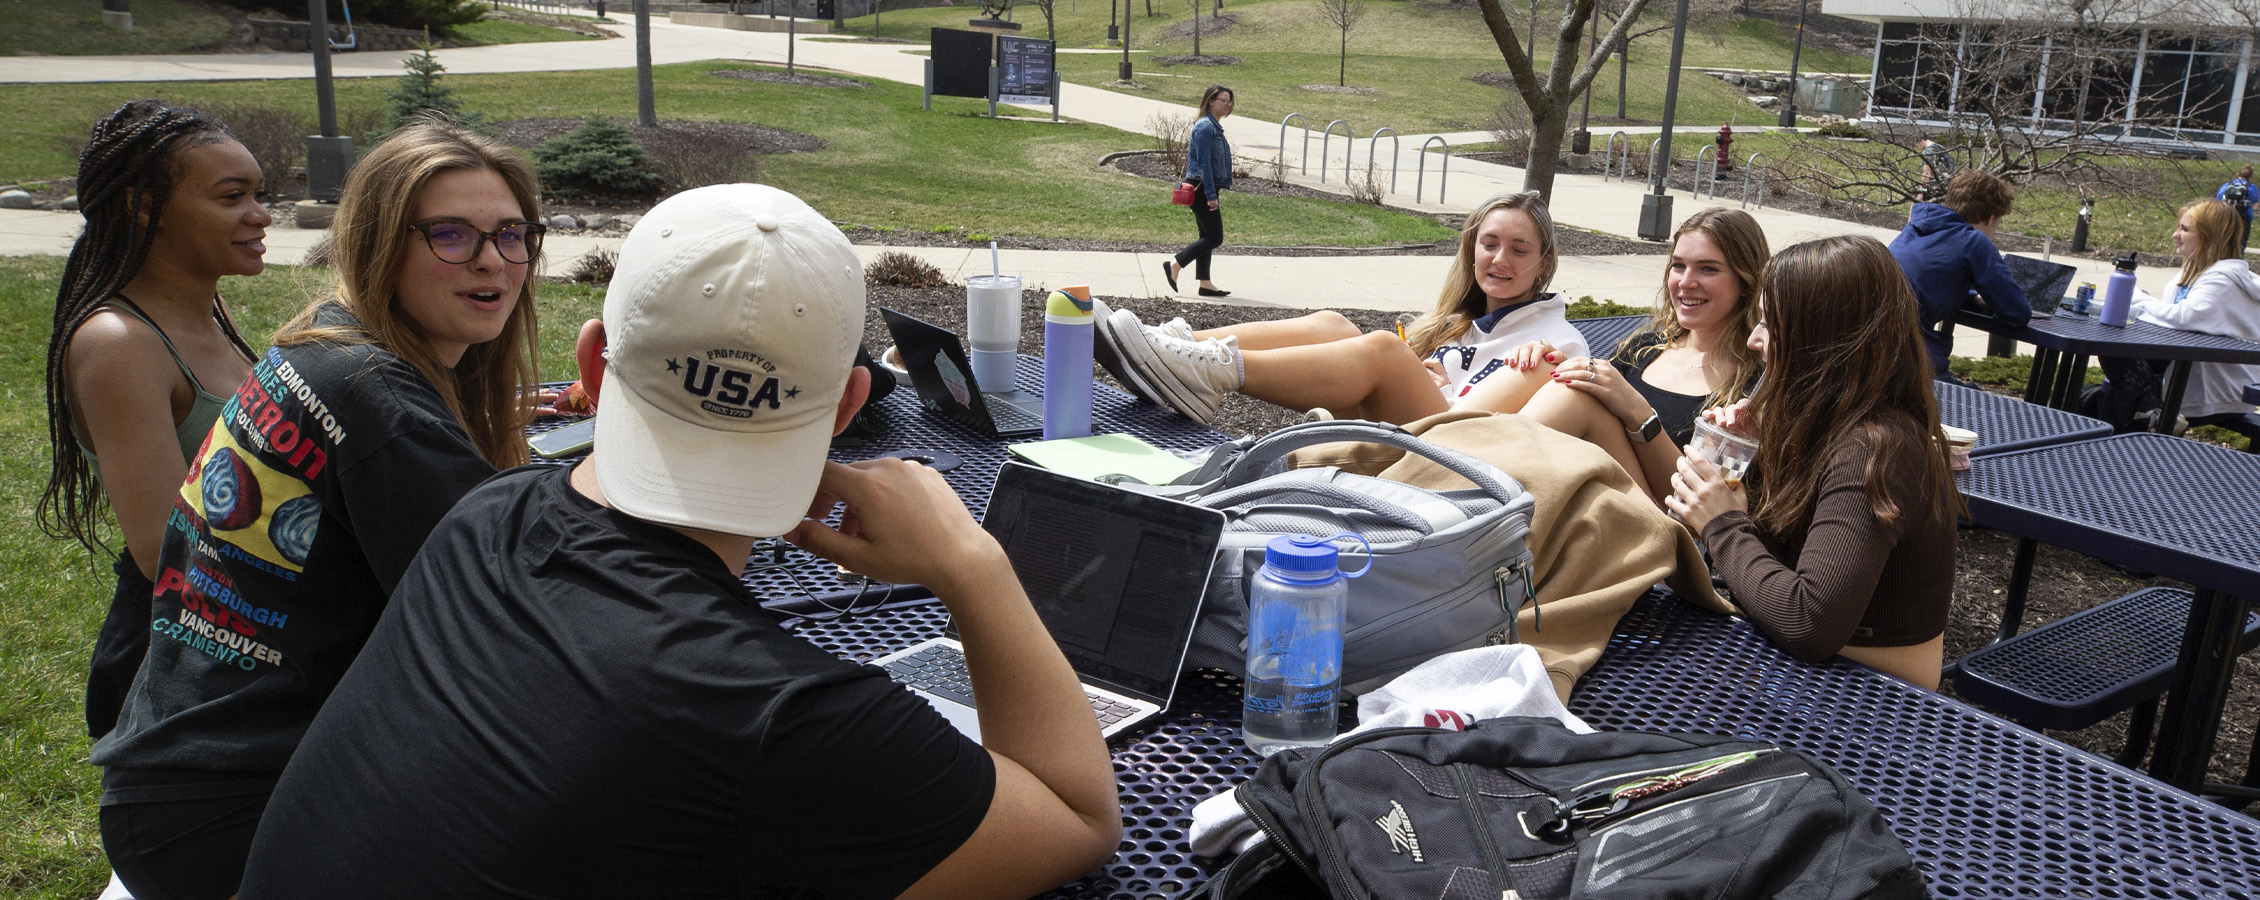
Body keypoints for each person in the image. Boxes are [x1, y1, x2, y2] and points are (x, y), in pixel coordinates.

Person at [239, 184, 1122, 898]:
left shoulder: (487, 514)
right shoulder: (783, 719)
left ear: (591, 369)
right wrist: (972, 565)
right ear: (851, 407)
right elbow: (1078, 818)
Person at [88, 118, 545, 900]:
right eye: (450, 235)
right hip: (241, 816)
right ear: (376, 242)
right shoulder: (374, 399)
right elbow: (531, 618)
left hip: (178, 782)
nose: (493, 262)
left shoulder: (322, 346)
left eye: (512, 235)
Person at [40, 101, 265, 744]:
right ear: (143, 205)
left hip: (246, 629)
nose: (261, 214)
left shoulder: (209, 312)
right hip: (174, 663)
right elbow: (162, 549)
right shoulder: (121, 343)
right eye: (232, 197)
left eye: (258, 193)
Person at [1668, 235, 1962, 690]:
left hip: (1872, 703)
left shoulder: (1877, 450)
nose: (1753, 340)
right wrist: (1747, 462)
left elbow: (1809, 623)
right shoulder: (1823, 422)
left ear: (1822, 339)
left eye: (1769, 324)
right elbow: (1782, 560)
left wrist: (1722, 524)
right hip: (1792, 670)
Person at [1099, 191, 1587, 425]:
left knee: (1383, 351)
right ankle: (1172, 348)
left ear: (1544, 265)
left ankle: (1208, 372)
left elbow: (1500, 429)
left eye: (1519, 250)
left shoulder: (1557, 342)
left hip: (1450, 455)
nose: (1499, 259)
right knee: (1333, 325)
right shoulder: (1465, 322)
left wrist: (1426, 380)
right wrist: (1428, 376)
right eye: (1489, 243)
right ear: (1471, 249)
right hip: (1413, 424)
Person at [1514, 207, 1769, 502]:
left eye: (1708, 269)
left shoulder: (1755, 388)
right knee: (1543, 369)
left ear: (1746, 282)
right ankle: (1463, 467)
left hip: (1668, 530)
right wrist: (1556, 364)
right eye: (1678, 266)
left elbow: (1702, 508)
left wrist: (1640, 415)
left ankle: (1468, 480)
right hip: (1591, 500)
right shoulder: (1646, 348)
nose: (1686, 282)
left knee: (1576, 396)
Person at [2090, 199, 2260, 433]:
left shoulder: (2223, 282)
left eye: (2185, 229)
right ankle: (2145, 419)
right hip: (2187, 372)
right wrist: (2147, 305)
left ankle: (2138, 429)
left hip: (2216, 392)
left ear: (2210, 236)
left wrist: (2137, 300)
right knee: (2113, 352)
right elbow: (2174, 322)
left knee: (2114, 399)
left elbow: (2184, 318)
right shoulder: (2192, 272)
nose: (2175, 235)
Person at [1888, 169, 2028, 380]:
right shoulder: (1973, 241)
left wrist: (1972, 298)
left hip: (1877, 350)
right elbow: (2017, 312)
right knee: (1982, 409)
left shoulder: (1915, 229)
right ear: (1991, 217)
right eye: (1998, 223)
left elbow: (1925, 281)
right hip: (1911, 362)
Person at [1164, 84, 1235, 298]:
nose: (1227, 104)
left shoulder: (1213, 126)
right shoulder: (1206, 127)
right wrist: (1212, 196)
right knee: (1215, 237)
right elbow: (1204, 165)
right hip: (1203, 188)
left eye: (1229, 100)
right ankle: (1176, 264)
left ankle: (1205, 283)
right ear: (1211, 101)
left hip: (1205, 186)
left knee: (1206, 235)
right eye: (1223, 99)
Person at [2215, 164, 2253, 251]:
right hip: (2244, 217)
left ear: (2238, 174)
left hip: (2227, 215)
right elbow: (2256, 204)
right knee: (2242, 241)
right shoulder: (2251, 187)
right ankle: (2238, 258)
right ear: (2250, 177)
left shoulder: (2227, 185)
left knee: (2225, 238)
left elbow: (2219, 199)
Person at [1915, 137, 1956, 202]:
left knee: (1916, 205)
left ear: (1920, 141)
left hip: (1936, 186)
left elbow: (1927, 173)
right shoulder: (1939, 147)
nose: (1918, 148)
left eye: (1917, 145)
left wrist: (1921, 191)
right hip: (1949, 183)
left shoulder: (1928, 152)